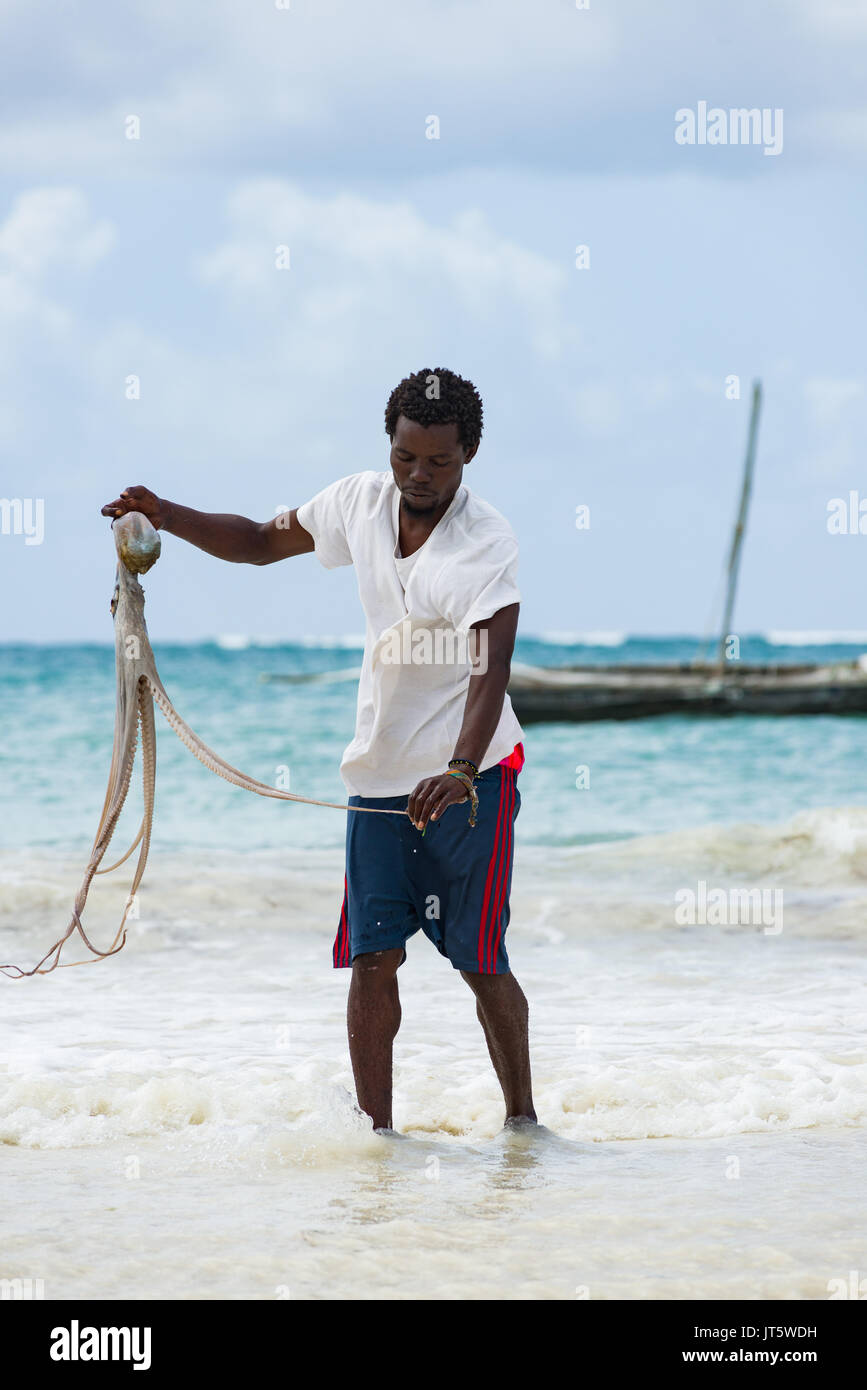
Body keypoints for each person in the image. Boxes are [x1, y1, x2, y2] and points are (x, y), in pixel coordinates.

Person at [102, 367, 536, 1133]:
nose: (418, 476)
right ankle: (378, 1140)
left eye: (438, 461)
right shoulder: (359, 502)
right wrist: (166, 514)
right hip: (377, 776)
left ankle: (523, 1127)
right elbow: (263, 543)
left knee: (478, 960)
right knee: (372, 960)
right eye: (406, 457)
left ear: (468, 452)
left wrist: (461, 771)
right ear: (389, 446)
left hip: (473, 781)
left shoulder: (485, 543)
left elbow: (488, 668)